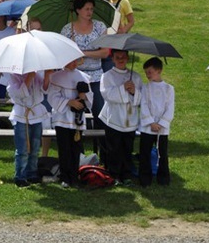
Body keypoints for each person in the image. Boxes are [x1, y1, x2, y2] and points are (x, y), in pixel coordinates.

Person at [60, 0, 109, 142]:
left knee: (99, 110)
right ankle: (74, 143)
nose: (89, 12)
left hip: (95, 76)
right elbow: (63, 53)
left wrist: (83, 53)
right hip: (74, 76)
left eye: (91, 9)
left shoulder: (100, 27)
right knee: (74, 111)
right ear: (78, 10)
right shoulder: (67, 29)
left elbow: (105, 52)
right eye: (86, 9)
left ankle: (103, 145)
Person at [48, 60, 93, 188]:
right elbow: (52, 96)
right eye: (71, 61)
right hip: (62, 118)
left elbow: (90, 96)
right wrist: (69, 102)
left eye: (76, 61)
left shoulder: (83, 76)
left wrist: (83, 96)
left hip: (77, 119)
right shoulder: (56, 77)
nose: (74, 64)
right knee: (64, 148)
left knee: (76, 148)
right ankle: (65, 177)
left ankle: (74, 176)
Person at [100, 50, 142, 185]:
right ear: (112, 59)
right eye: (117, 57)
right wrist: (123, 88)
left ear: (128, 58)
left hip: (130, 118)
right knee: (114, 148)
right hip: (114, 118)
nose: (120, 59)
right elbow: (107, 95)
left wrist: (134, 91)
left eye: (123, 57)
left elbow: (142, 98)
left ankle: (126, 174)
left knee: (127, 148)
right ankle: (114, 175)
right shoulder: (107, 76)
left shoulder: (135, 76)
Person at [7, 71, 49, 187]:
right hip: (21, 114)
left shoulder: (38, 75)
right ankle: (20, 175)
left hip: (36, 114)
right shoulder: (13, 78)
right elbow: (21, 93)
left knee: (35, 147)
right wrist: (30, 76)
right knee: (23, 149)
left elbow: (45, 90)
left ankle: (32, 173)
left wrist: (47, 75)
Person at [138, 57, 174, 187]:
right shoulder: (145, 88)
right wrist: (151, 122)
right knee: (145, 153)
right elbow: (144, 105)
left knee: (162, 153)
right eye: (146, 72)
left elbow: (170, 108)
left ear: (159, 71)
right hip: (148, 127)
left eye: (150, 72)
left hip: (162, 129)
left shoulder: (169, 89)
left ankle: (163, 178)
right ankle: (144, 179)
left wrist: (161, 123)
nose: (147, 75)